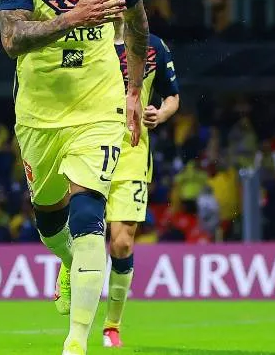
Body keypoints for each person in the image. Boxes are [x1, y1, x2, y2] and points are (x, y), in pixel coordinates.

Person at [0, 0, 149, 355]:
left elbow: (138, 29)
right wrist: (73, 16)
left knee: (88, 212)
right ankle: (68, 263)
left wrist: (132, 91)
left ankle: (76, 342)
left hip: (98, 107)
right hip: (38, 113)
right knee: (49, 221)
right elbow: (12, 39)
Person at [102, 23, 179, 348]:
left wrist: (160, 114)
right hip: (88, 149)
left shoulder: (152, 46)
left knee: (121, 243)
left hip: (132, 154)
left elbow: (172, 96)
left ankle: (112, 326)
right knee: (82, 236)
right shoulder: (90, 38)